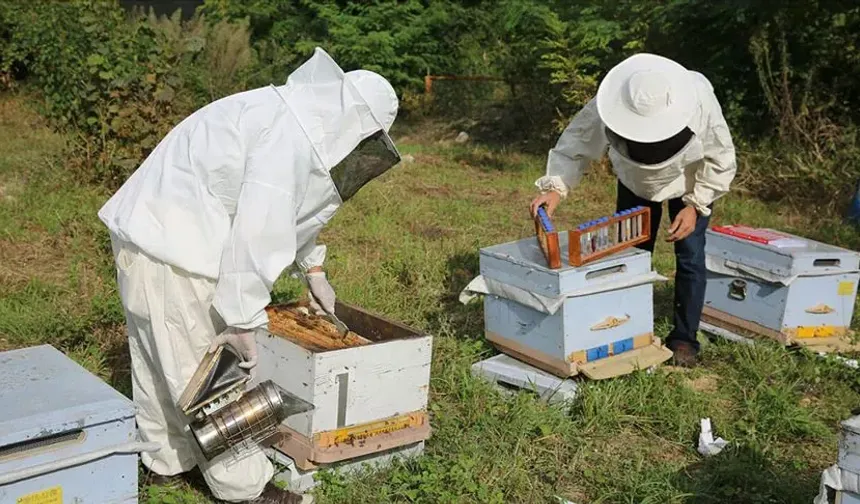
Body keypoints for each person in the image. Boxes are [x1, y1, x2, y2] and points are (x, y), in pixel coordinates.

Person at [99, 47, 401, 503]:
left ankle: (166, 461)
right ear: (354, 122)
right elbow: (258, 232)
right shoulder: (287, 140)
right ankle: (246, 488)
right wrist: (241, 319)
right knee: (206, 374)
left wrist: (313, 268)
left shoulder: (281, 118)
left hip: (151, 237)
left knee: (159, 360)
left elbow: (289, 213)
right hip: (173, 248)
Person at [530, 53, 737, 367]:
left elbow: (721, 159)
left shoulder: (701, 103)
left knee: (691, 256)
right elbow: (576, 141)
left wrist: (696, 206)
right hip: (633, 179)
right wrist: (555, 188)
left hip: (691, 182)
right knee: (630, 257)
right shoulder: (610, 102)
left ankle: (684, 339)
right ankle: (628, 328)